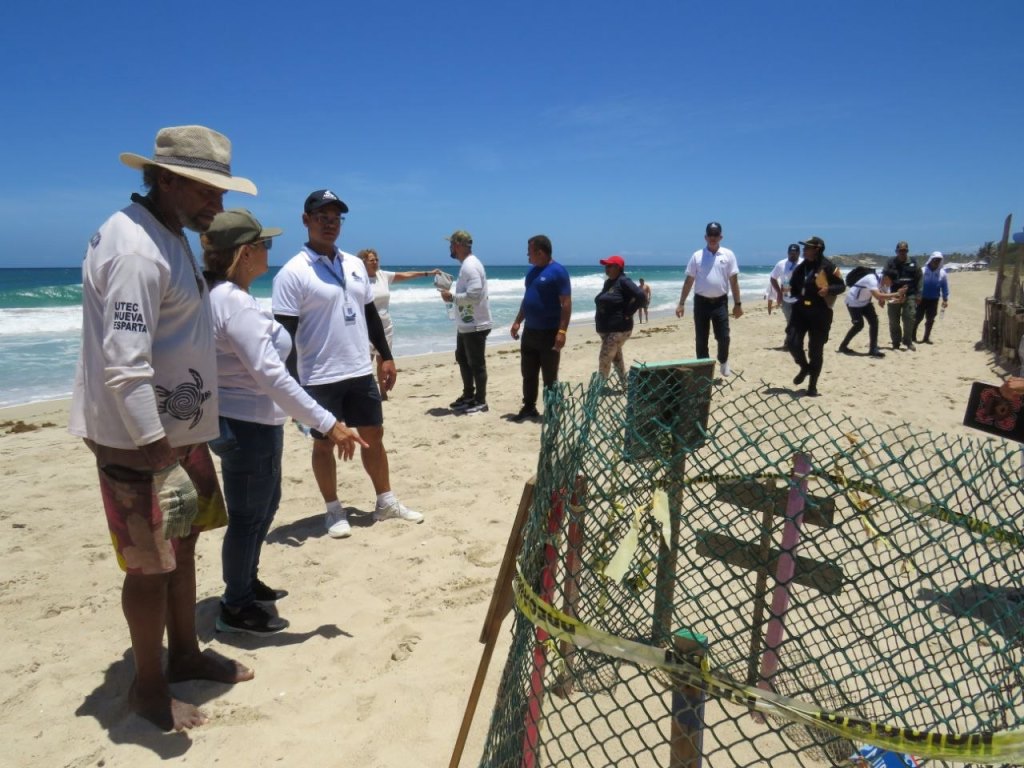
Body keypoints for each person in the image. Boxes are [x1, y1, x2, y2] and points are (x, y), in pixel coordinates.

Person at [68, 125, 255, 731]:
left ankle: (185, 655)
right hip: (140, 442)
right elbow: (126, 370)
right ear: (167, 179)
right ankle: (148, 690)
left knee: (184, 545)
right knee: (149, 565)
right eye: (209, 192)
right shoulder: (134, 250)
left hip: (178, 436)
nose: (219, 206)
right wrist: (159, 458)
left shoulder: (168, 234)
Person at [202, 210, 367, 634]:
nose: (268, 252)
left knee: (264, 505)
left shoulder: (229, 295)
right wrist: (328, 422)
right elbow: (270, 373)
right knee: (247, 514)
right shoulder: (232, 302)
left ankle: (245, 580)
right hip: (246, 425)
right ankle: (235, 605)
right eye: (263, 245)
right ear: (244, 253)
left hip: (256, 420)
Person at [272, 189, 424, 540]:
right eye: (322, 217)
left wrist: (386, 356)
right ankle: (333, 509)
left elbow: (370, 315)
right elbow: (284, 339)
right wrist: (293, 389)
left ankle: (385, 501)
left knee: (374, 436)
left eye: (335, 218)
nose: (330, 224)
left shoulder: (354, 265)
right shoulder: (293, 273)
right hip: (318, 376)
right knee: (324, 443)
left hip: (359, 371)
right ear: (306, 221)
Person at [356, 248, 440, 400]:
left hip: (386, 325)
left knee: (383, 360)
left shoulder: (383, 275)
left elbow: (406, 275)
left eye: (376, 259)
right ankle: (364, 393)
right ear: (363, 263)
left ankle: (383, 393)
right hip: (366, 327)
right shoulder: (358, 280)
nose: (375, 262)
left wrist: (428, 273)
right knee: (365, 362)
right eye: (371, 260)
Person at [509, 235, 572, 423]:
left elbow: (566, 304)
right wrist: (517, 320)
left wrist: (562, 332)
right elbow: (527, 299)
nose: (527, 254)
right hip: (530, 332)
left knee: (549, 376)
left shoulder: (558, 272)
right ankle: (529, 408)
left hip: (549, 332)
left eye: (530, 251)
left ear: (540, 252)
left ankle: (552, 411)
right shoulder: (532, 272)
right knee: (528, 374)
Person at [675, 221, 743, 377]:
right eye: (710, 235)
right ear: (705, 237)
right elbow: (689, 281)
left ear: (721, 236)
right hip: (701, 303)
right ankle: (703, 370)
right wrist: (681, 303)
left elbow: (734, 281)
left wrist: (738, 304)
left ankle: (723, 360)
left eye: (716, 235)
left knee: (724, 336)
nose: (713, 237)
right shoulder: (697, 256)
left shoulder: (728, 255)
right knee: (701, 339)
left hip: (720, 302)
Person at [439, 230, 492, 414]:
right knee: (462, 358)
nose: (450, 248)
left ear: (458, 245)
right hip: (467, 324)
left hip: (475, 324)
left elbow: (474, 295)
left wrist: (452, 297)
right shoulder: (467, 265)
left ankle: (481, 401)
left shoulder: (470, 266)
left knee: (476, 363)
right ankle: (469, 395)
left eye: (452, 245)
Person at [786, 236, 845, 396]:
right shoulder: (801, 267)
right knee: (792, 342)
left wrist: (829, 290)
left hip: (820, 312)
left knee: (815, 350)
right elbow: (793, 286)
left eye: (807, 248)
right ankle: (805, 367)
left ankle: (812, 386)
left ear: (817, 249)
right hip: (800, 311)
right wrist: (790, 292)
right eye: (804, 248)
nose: (804, 250)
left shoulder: (828, 266)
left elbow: (841, 286)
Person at [594, 255, 647, 383]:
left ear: (618, 267)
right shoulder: (609, 283)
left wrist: (629, 312)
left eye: (610, 266)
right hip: (607, 330)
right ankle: (625, 384)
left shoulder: (624, 281)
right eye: (606, 266)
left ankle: (600, 388)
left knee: (604, 357)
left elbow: (641, 296)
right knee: (616, 358)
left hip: (619, 329)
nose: (606, 269)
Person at [837, 269, 905, 358]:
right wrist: (896, 293)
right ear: (887, 278)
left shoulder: (884, 283)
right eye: (892, 282)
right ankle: (843, 346)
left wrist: (898, 300)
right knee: (859, 325)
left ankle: (873, 349)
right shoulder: (871, 279)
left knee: (874, 322)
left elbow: (887, 298)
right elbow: (878, 296)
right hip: (853, 301)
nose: (892, 284)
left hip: (865, 302)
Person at [883, 240, 922, 350]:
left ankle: (908, 341)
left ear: (907, 251)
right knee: (893, 320)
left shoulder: (913, 263)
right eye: (900, 250)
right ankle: (896, 342)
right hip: (894, 294)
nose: (902, 252)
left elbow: (919, 278)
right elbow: (884, 279)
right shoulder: (890, 263)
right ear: (896, 251)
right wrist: (882, 296)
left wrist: (919, 294)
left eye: (905, 250)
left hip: (910, 294)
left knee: (910, 318)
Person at [769, 244, 802, 347]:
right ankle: (789, 342)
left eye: (795, 253)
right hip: (786, 297)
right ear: (787, 253)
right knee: (790, 321)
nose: (792, 255)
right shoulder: (781, 264)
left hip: (800, 298)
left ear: (798, 253)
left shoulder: (804, 263)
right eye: (791, 253)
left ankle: (791, 342)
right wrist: (778, 293)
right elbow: (773, 278)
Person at [914, 251, 950, 344]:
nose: (937, 262)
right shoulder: (922, 270)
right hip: (921, 298)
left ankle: (926, 338)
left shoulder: (942, 273)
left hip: (934, 299)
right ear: (931, 260)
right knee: (918, 318)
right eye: (935, 260)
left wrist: (945, 299)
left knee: (930, 319)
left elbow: (944, 286)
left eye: (939, 260)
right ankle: (912, 336)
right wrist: (916, 296)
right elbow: (916, 284)